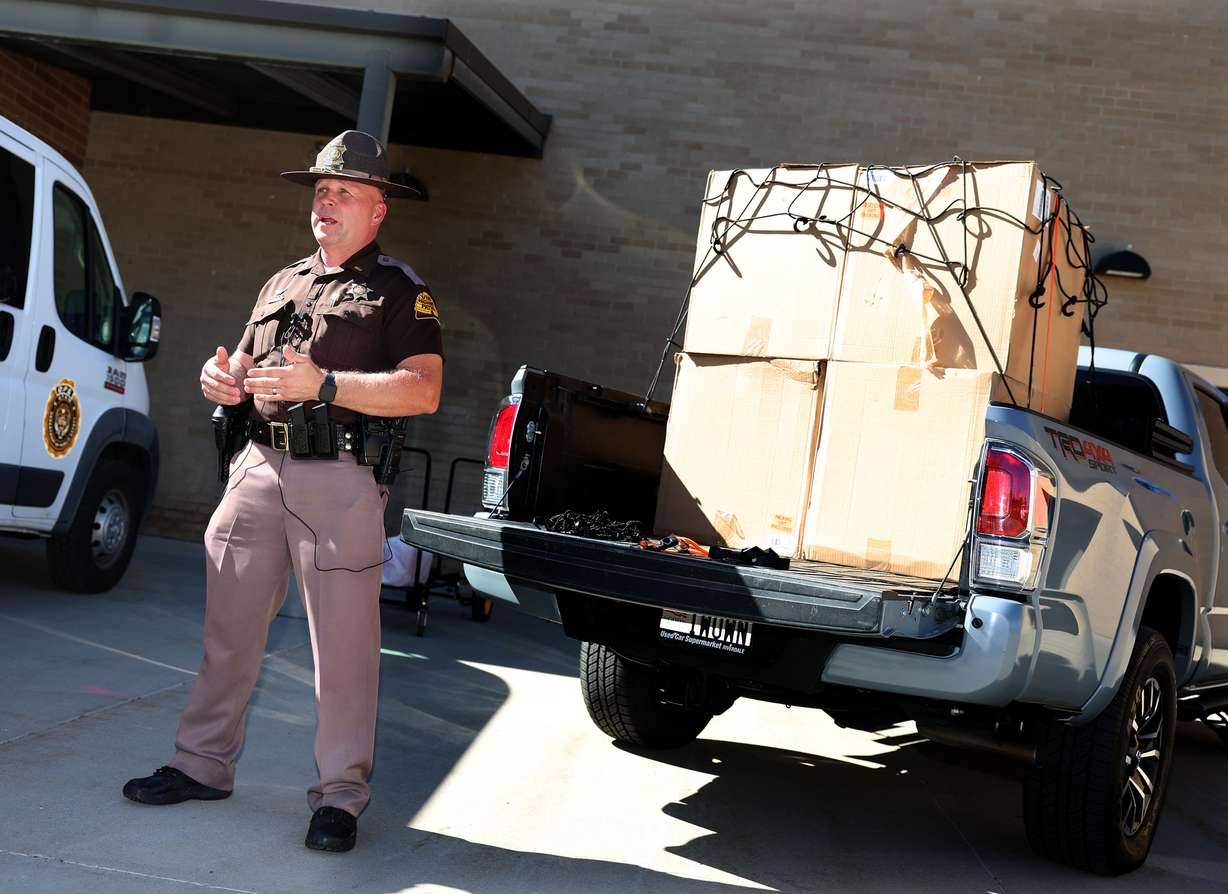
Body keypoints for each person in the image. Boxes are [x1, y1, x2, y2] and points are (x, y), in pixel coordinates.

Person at [122, 131, 444, 853]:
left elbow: (424, 390)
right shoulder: (280, 282)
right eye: (321, 191)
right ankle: (201, 764)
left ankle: (340, 797)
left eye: (344, 193)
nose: (326, 204)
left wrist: (326, 385)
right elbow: (240, 366)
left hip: (340, 479)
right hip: (259, 468)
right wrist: (223, 379)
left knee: (345, 651)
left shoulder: (400, 291)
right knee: (227, 633)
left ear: (378, 209)